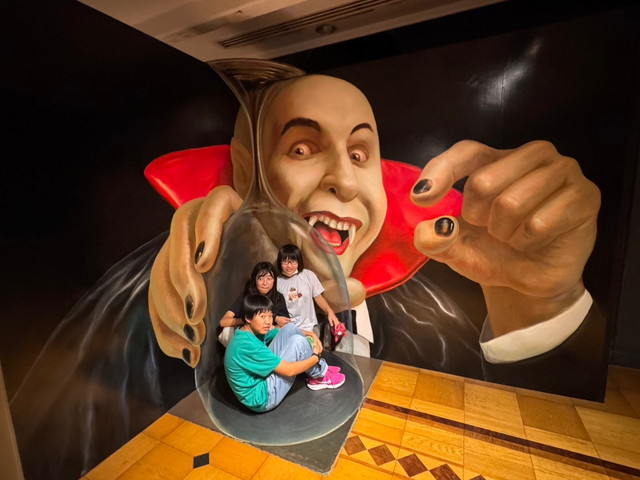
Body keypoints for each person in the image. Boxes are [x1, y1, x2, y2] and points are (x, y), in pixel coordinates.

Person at [146, 73, 604, 399]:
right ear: (248, 173)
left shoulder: (434, 326)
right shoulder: (231, 304)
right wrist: (214, 288)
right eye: (302, 149)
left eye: (359, 154)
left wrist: (543, 307)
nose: (346, 183)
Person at [224, 294, 345, 412]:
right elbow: (289, 370)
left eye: (270, 316)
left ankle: (321, 369)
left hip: (260, 378)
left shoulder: (247, 330)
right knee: (298, 342)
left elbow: (283, 330)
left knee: (289, 328)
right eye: (262, 316)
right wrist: (315, 357)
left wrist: (311, 334)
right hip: (262, 397)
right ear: (248, 318)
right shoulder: (247, 345)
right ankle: (320, 376)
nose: (268, 322)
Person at [218, 262, 290, 346]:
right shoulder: (246, 296)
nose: (265, 283)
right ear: (254, 280)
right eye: (261, 279)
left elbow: (285, 324)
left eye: (269, 279)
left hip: (268, 340)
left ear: (274, 280)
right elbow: (223, 322)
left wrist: (275, 325)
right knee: (227, 330)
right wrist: (249, 321)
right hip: (247, 338)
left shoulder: (278, 297)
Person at [276, 244, 341, 333]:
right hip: (289, 330)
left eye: (293, 261)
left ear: (299, 261)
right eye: (285, 262)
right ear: (280, 262)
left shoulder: (308, 275)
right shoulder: (277, 282)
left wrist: (330, 312)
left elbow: (318, 297)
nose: (289, 265)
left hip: (310, 328)